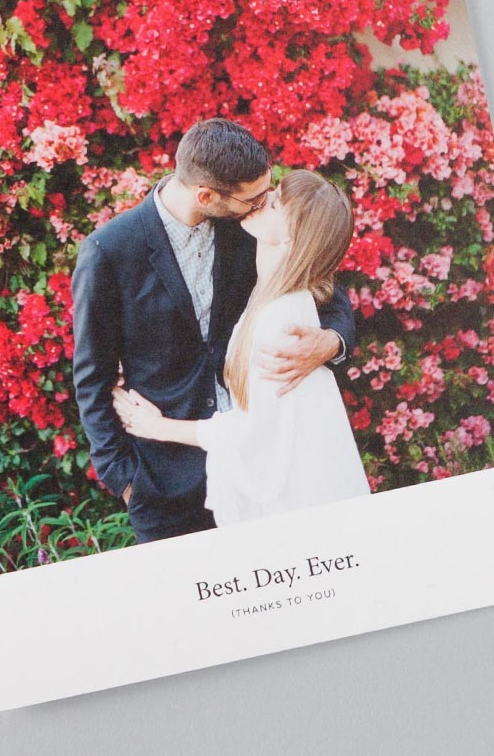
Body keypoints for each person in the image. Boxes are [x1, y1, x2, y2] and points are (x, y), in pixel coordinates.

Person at [69, 119, 357, 543]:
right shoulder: (109, 252)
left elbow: (330, 292)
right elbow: (91, 377)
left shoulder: (248, 226)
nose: (263, 204)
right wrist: (126, 481)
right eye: (255, 198)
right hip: (166, 487)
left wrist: (331, 342)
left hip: (255, 471)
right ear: (207, 196)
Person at [113, 169, 369, 524]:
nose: (263, 201)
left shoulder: (283, 316)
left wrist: (157, 427)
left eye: (276, 203)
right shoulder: (267, 292)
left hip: (297, 499)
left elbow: (253, 430)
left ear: (294, 239)